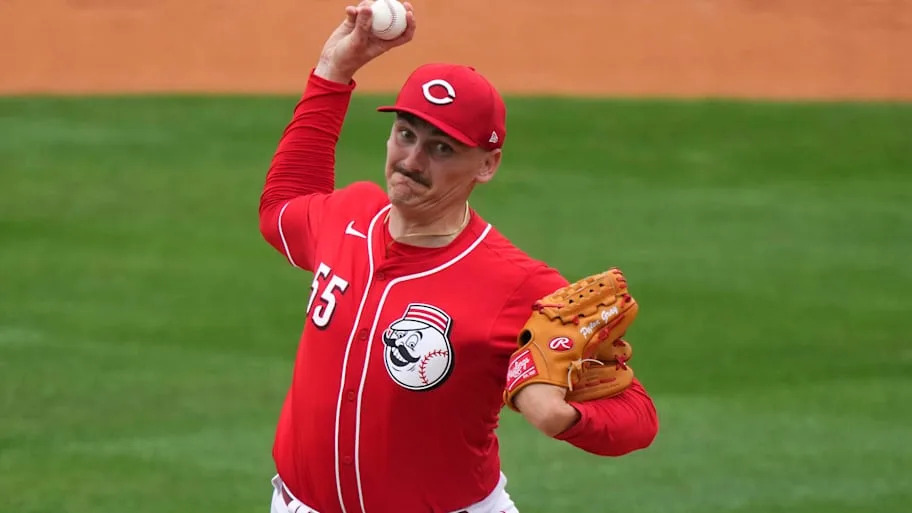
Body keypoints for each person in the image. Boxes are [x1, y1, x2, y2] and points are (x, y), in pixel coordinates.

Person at [257, 3, 659, 513]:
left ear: (487, 165)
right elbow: (282, 207)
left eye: (442, 149)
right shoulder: (347, 216)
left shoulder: (520, 287)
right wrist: (333, 73)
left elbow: (639, 416)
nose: (411, 161)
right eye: (406, 134)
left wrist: (566, 418)